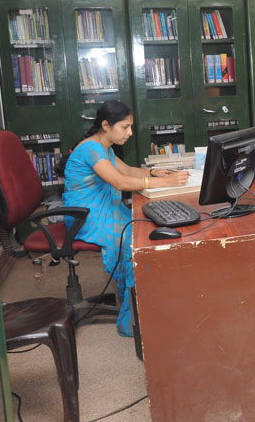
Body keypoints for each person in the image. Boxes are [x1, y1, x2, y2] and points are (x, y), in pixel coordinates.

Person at [60, 101, 188, 336]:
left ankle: (146, 298)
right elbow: (119, 182)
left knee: (143, 226)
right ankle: (133, 318)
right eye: (125, 127)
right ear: (106, 125)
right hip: (85, 217)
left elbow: (127, 171)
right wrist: (162, 183)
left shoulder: (104, 147)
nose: (130, 133)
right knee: (134, 238)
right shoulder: (91, 149)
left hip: (103, 209)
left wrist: (154, 172)